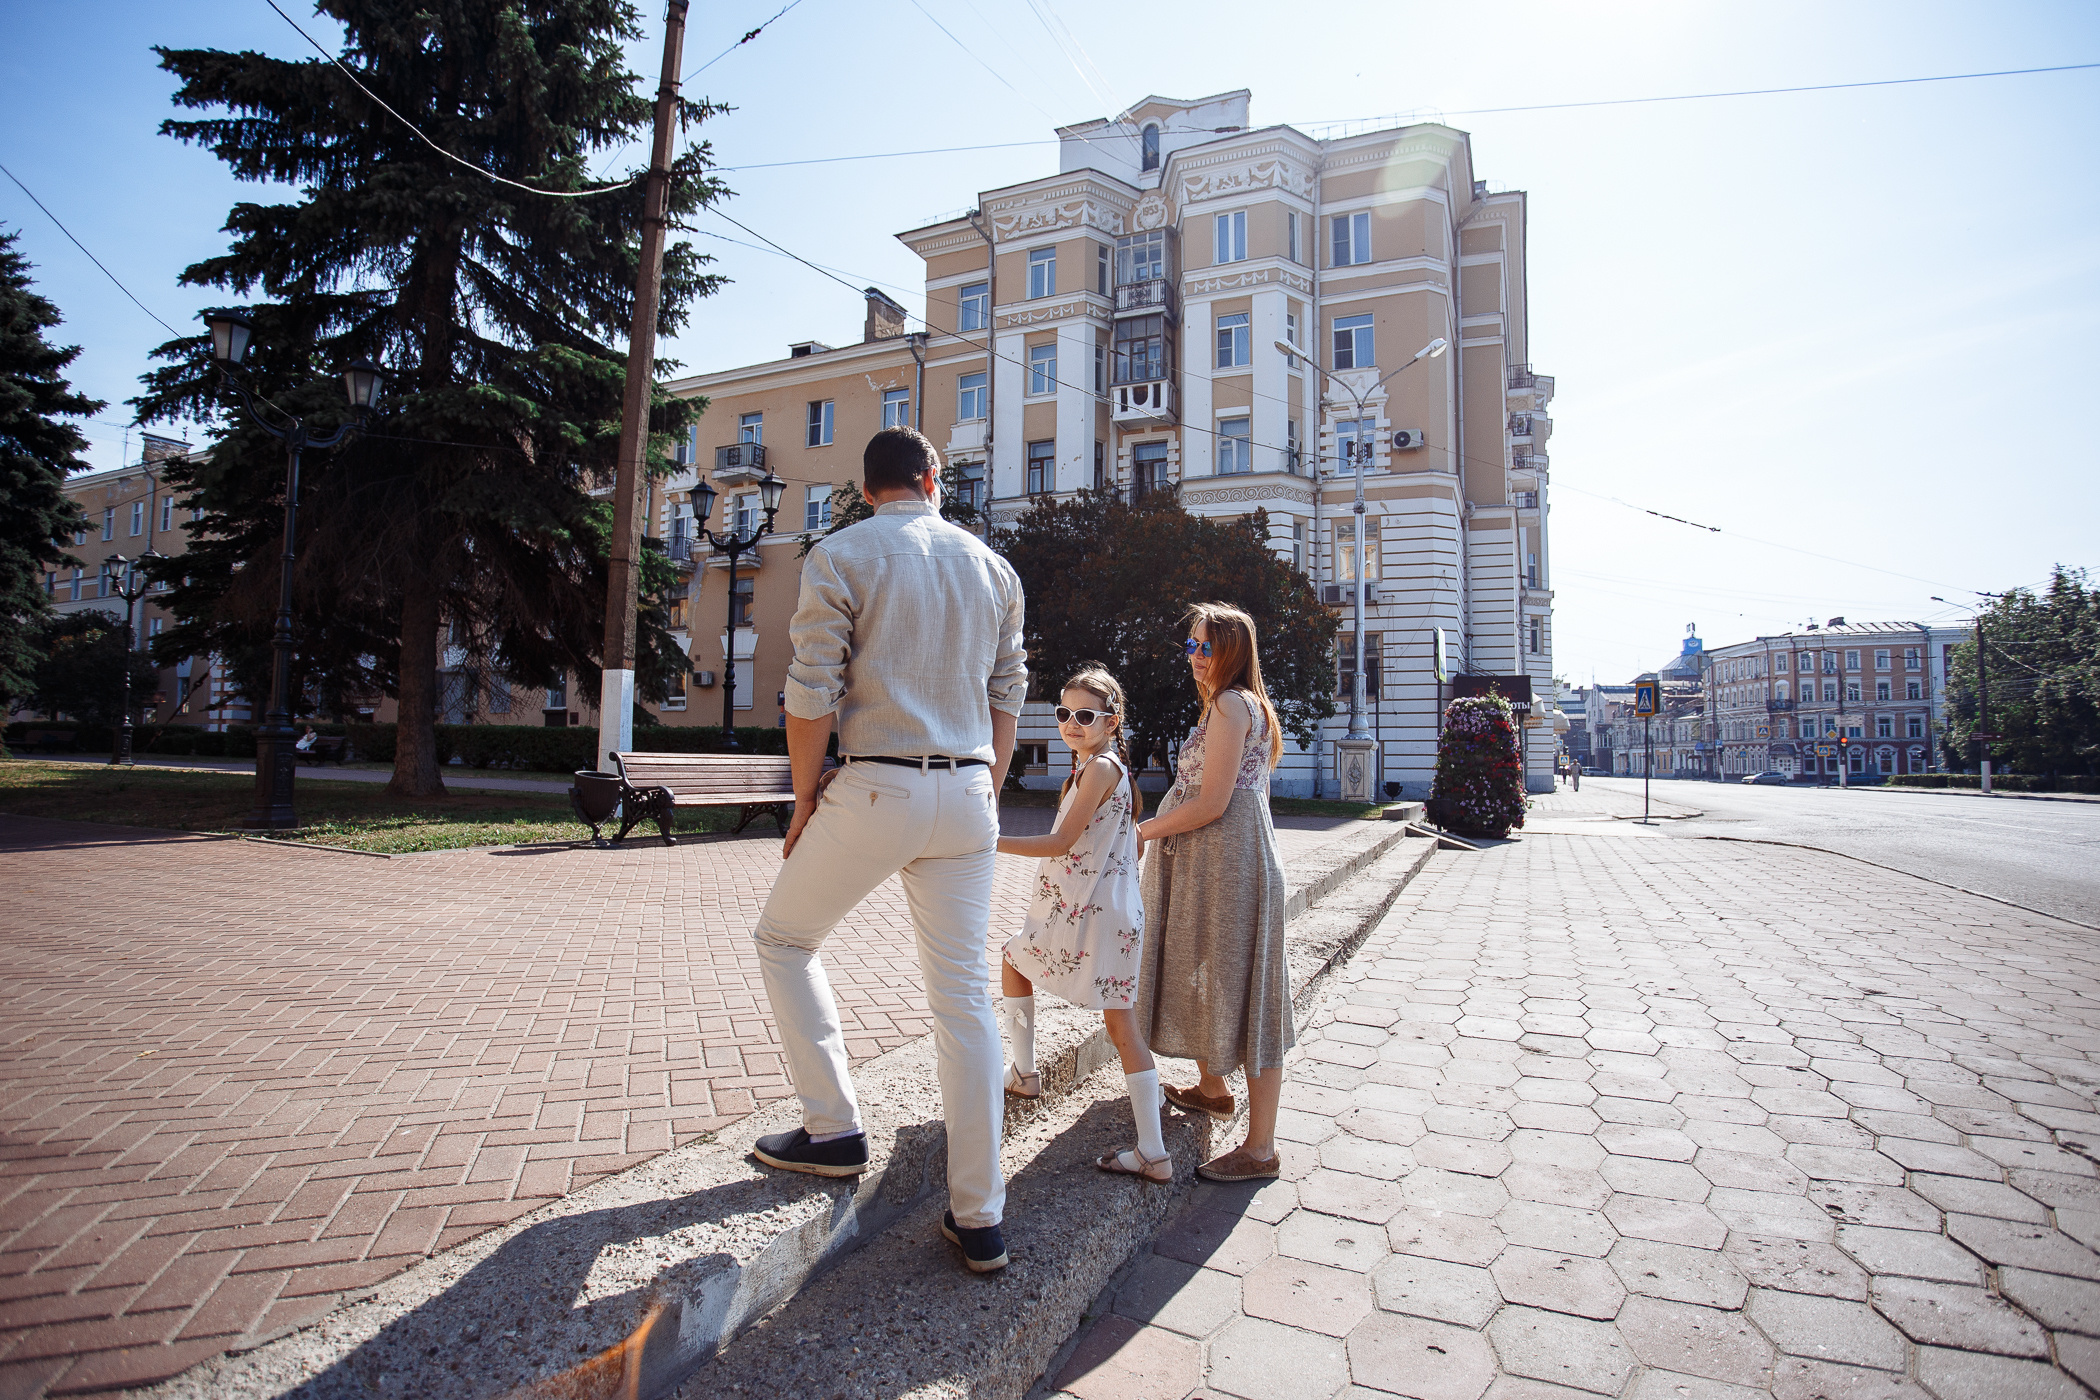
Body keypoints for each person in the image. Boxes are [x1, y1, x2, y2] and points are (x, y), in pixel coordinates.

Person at [747, 426, 1027, 1275]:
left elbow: (809, 693)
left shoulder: (842, 554)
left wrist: (804, 800)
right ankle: (979, 1218)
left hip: (878, 784)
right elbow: (1008, 691)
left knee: (786, 940)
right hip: (970, 791)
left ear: (867, 489)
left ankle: (832, 1130)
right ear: (932, 479)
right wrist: (987, 785)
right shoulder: (992, 565)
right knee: (965, 1003)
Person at [1134, 602, 1292, 1183]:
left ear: (1233, 652)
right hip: (1217, 864)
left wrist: (1142, 830)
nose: (1196, 657)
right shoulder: (1229, 705)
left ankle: (1261, 1149)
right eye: (1191, 647)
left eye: (1207, 647)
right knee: (1212, 972)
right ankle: (1212, 1088)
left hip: (1231, 867)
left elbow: (1212, 803)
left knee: (1244, 987)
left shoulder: (1230, 704)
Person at [996, 666, 1168, 1183]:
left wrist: (985, 840)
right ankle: (1150, 1148)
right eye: (1063, 713)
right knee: (1021, 965)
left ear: (1111, 720)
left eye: (1085, 715)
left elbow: (1061, 843)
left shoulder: (1098, 770)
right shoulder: (1101, 766)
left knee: (1117, 1024)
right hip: (1098, 909)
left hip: (1091, 912)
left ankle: (1029, 1075)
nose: (1071, 722)